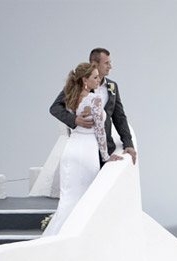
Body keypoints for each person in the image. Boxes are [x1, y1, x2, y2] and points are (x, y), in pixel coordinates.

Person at [42, 63, 122, 237]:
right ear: (85, 80)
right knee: (84, 198)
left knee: (68, 200)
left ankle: (53, 237)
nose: (98, 79)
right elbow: (100, 131)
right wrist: (106, 156)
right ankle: (71, 237)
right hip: (87, 151)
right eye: (94, 77)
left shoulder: (72, 95)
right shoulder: (94, 99)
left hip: (71, 149)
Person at [50, 48, 137, 165]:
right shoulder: (78, 85)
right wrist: (74, 120)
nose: (110, 66)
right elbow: (55, 108)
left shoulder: (112, 86)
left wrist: (128, 143)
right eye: (106, 63)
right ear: (95, 64)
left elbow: (119, 117)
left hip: (107, 148)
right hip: (85, 149)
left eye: (110, 62)